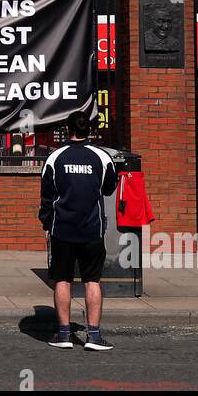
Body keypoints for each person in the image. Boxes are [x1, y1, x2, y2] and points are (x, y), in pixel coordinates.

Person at [39, 109, 119, 350]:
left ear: (68, 129)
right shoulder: (102, 157)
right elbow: (108, 188)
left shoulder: (55, 157)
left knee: (62, 280)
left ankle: (64, 334)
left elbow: (47, 195)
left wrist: (46, 223)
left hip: (61, 228)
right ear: (89, 130)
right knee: (92, 281)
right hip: (91, 229)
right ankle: (93, 336)